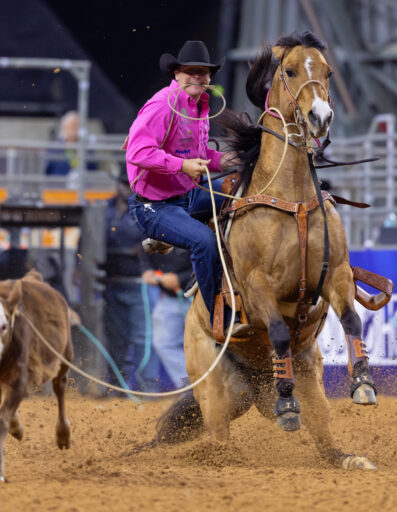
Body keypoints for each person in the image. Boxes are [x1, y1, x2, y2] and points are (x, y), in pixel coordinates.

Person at [125, 40, 250, 337]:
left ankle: (175, 238)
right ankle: (220, 318)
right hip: (153, 207)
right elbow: (136, 153)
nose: (198, 77)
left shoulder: (197, 107)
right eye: (191, 72)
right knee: (205, 243)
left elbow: (197, 154)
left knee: (240, 190)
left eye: (203, 73)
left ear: (209, 78)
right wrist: (181, 167)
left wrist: (227, 159)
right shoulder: (161, 106)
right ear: (177, 74)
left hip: (187, 195)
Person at [101, 172, 161, 391]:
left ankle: (148, 388)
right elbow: (89, 239)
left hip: (138, 283)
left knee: (143, 338)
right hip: (111, 281)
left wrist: (150, 265)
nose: (126, 188)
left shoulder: (144, 210)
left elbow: (157, 242)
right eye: (123, 183)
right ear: (117, 184)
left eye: (130, 184)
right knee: (116, 338)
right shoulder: (103, 210)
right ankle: (117, 387)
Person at [142, 247, 192, 387]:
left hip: (199, 297)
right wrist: (147, 269)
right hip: (169, 298)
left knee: (208, 343)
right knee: (163, 343)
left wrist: (182, 278)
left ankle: (211, 386)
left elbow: (210, 256)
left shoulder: (200, 228)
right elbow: (144, 249)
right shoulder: (155, 231)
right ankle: (187, 385)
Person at [45, 110, 98, 176]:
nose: (74, 130)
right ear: (64, 128)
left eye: (77, 127)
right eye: (71, 127)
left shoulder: (88, 150)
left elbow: (93, 170)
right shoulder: (54, 149)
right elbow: (47, 172)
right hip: (58, 184)